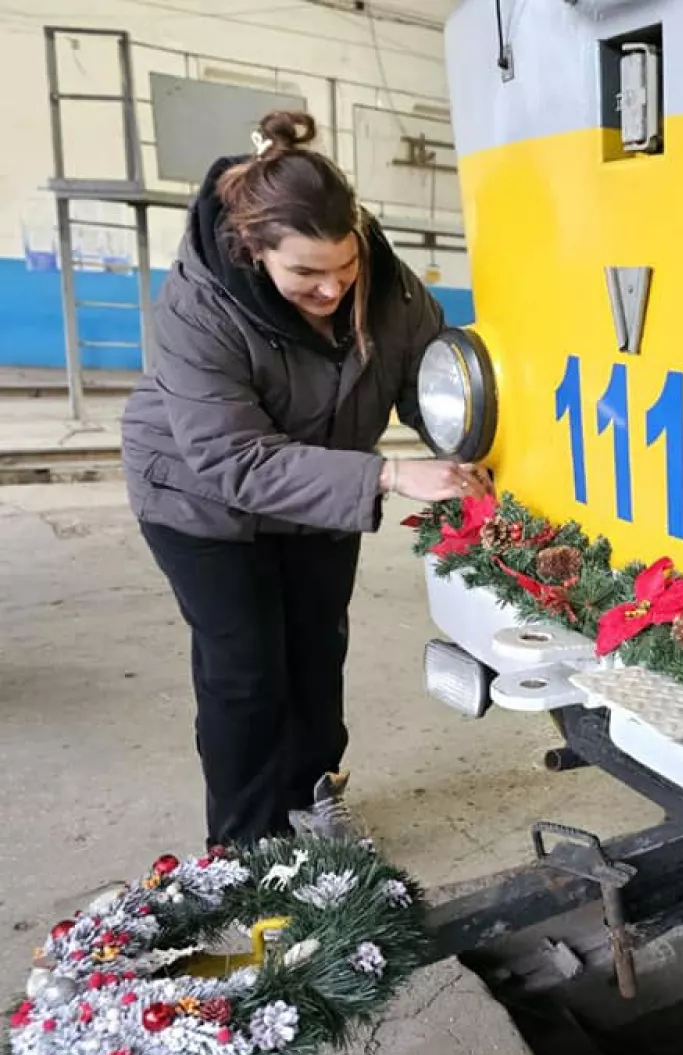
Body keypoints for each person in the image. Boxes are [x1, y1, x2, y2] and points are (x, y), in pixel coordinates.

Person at [120, 110, 488, 849]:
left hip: (322, 489)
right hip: (201, 500)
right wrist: (389, 475)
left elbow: (427, 384)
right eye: (306, 275)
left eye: (344, 266)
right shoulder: (198, 306)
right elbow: (233, 460)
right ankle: (248, 844)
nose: (331, 289)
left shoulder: (389, 287)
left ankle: (316, 794)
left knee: (317, 652)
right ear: (254, 251)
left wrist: (468, 449)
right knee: (248, 669)